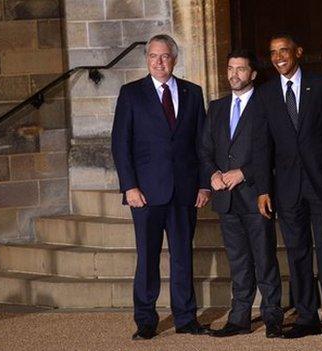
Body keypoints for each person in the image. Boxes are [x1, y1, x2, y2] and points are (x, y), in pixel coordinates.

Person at [111, 34, 211, 339]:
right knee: (148, 257)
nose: (159, 62)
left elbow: (202, 144)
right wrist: (129, 186)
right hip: (146, 193)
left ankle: (186, 317)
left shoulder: (193, 93)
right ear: (147, 59)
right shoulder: (131, 94)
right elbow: (120, 144)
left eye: (165, 56)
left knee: (183, 256)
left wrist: (204, 185)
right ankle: (145, 319)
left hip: (184, 191)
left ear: (175, 59)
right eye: (153, 56)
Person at [252, 33, 322, 340]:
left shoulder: (321, 85)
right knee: (297, 253)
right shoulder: (264, 94)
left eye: (284, 51)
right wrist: (264, 190)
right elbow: (262, 146)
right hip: (287, 189)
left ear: (298, 52)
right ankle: (307, 316)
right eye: (273, 52)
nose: (279, 57)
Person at [199, 49, 284, 338]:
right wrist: (212, 175)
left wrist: (244, 172)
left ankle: (273, 316)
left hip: (255, 195)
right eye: (230, 68)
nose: (234, 74)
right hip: (226, 200)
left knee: (264, 259)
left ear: (253, 74)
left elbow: (273, 152)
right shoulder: (217, 107)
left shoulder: (267, 105)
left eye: (241, 69)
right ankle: (240, 318)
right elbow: (205, 150)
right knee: (238, 262)